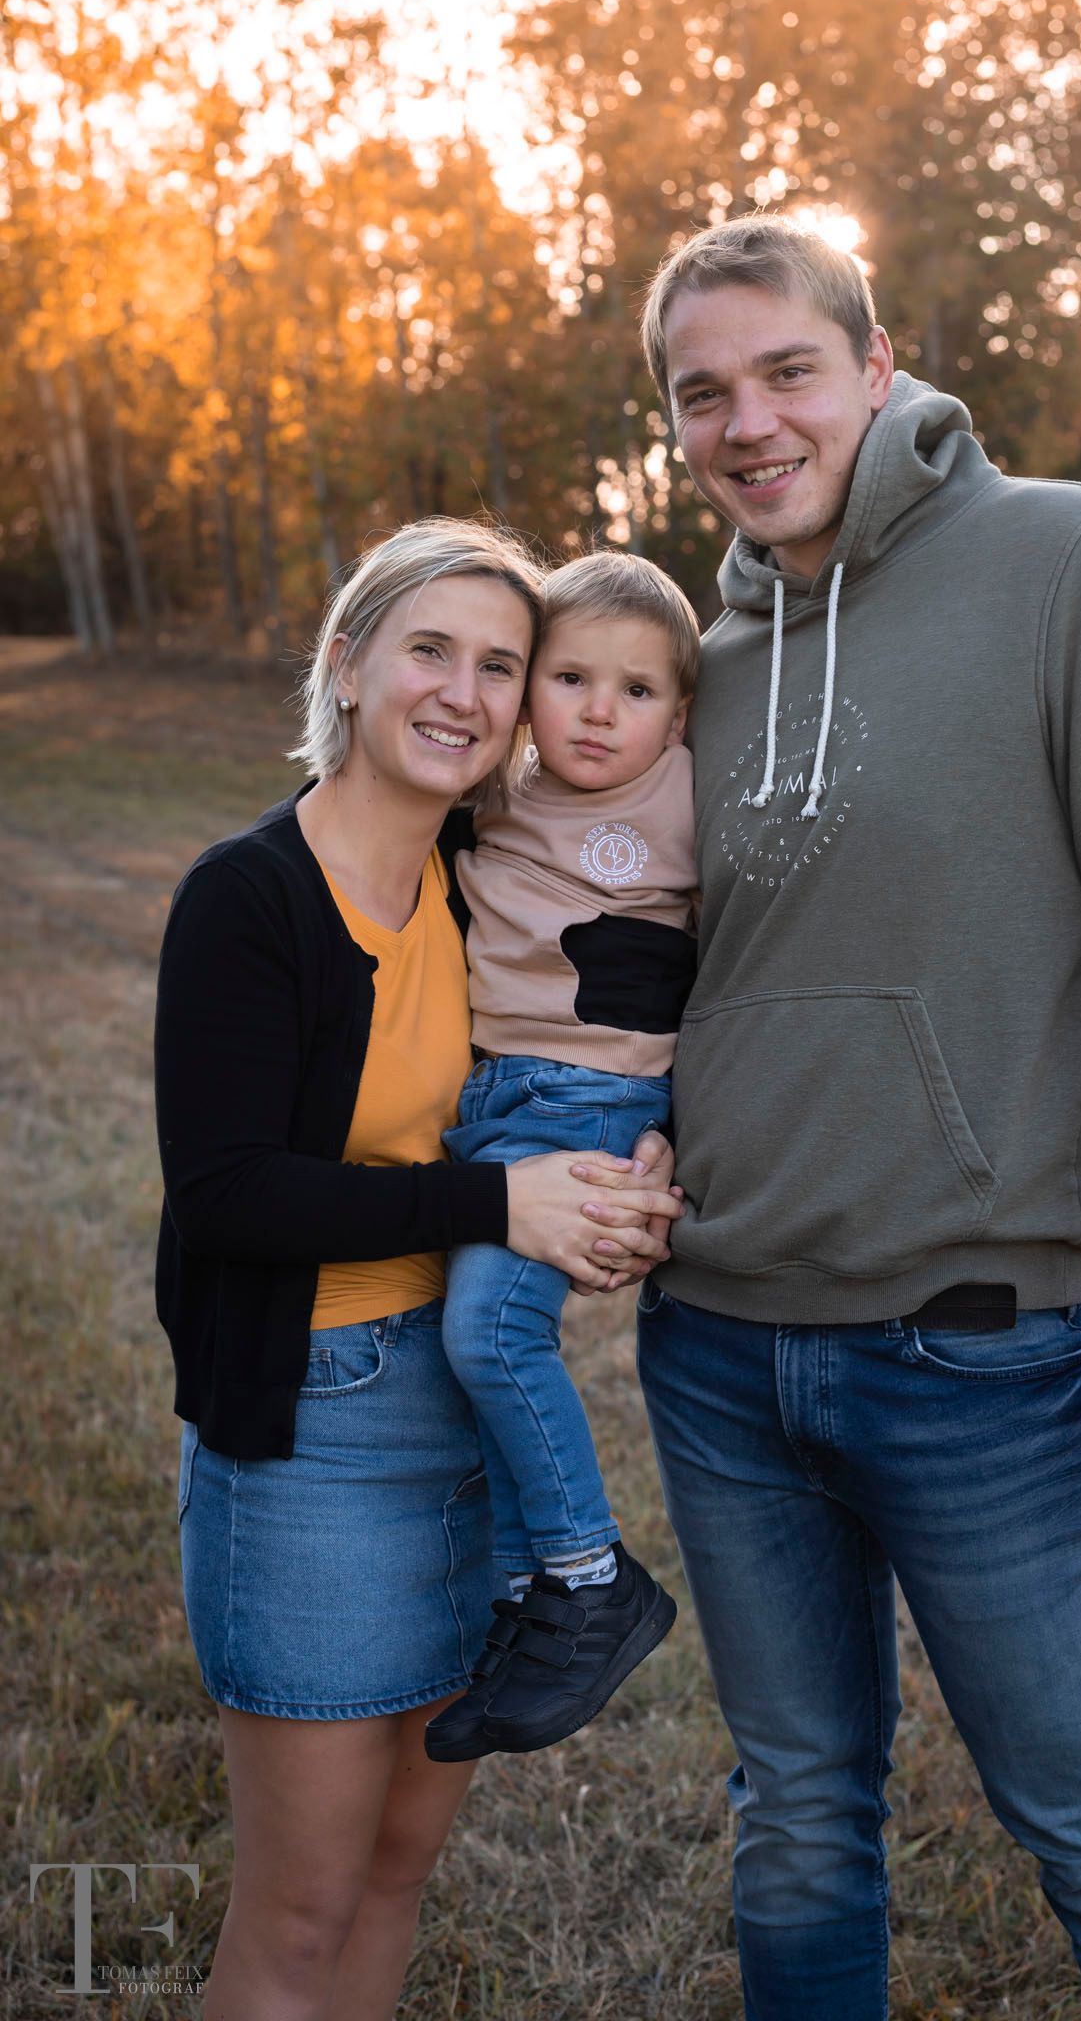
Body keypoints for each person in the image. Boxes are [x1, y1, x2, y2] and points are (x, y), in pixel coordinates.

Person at [632, 214, 1081, 2021]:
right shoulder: (707, 655)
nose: (747, 422)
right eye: (700, 394)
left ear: (876, 366)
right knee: (795, 1822)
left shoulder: (1064, 559)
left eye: (785, 371)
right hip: (716, 1350)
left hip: (975, 1352)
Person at [154, 518, 680, 2021]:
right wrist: (499, 1202)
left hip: (470, 1429)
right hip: (311, 1431)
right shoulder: (248, 896)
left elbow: (594, 1053)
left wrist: (632, 1180)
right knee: (301, 1910)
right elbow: (227, 1196)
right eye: (429, 650)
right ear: (347, 663)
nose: (463, 691)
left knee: (395, 1874)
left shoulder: (485, 880)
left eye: (500, 665)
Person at [424, 551, 700, 1763]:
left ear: (678, 715)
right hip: (492, 1103)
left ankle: (590, 1578)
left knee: (490, 1333)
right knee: (462, 1359)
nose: (598, 711)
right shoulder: (490, 789)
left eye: (636, 690)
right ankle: (513, 1601)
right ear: (527, 688)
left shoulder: (692, 795)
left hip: (594, 1105)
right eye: (571, 678)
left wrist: (680, 1130)